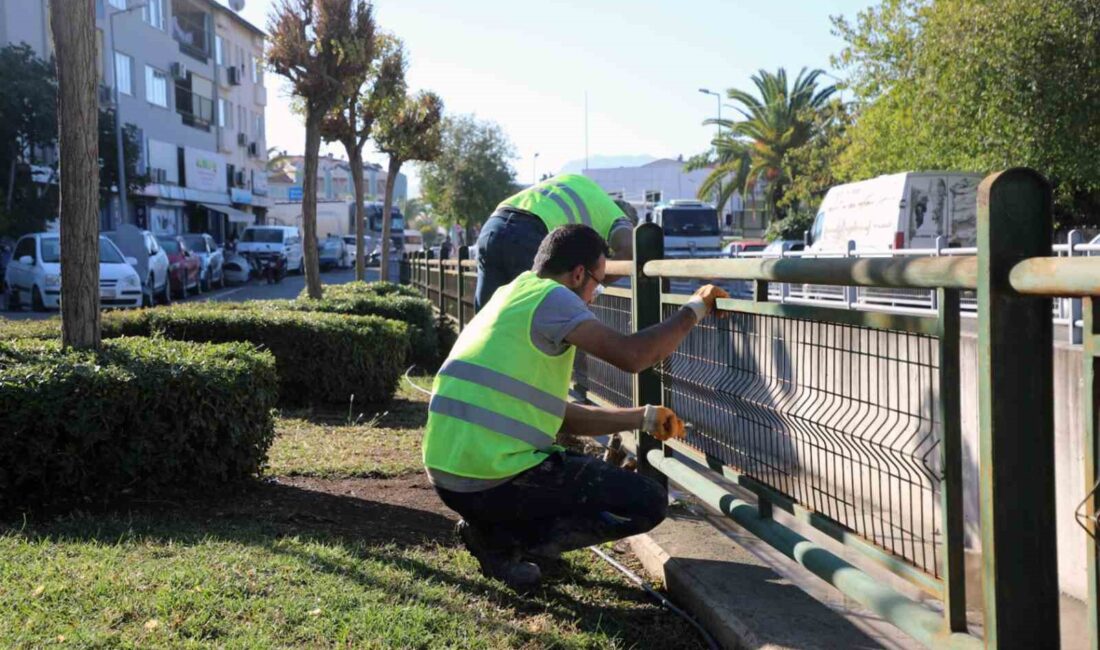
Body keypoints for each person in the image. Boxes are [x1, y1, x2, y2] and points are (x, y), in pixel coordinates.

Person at [423, 224, 729, 591]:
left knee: (578, 474)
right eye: (597, 285)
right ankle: (502, 543)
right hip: (490, 478)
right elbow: (634, 356)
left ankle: (492, 530)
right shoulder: (556, 298)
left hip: (449, 474)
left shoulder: (513, 293)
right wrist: (696, 306)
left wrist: (641, 417)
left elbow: (553, 413)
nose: (594, 299)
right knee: (647, 501)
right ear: (579, 274)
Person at [474, 173, 634, 311]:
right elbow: (628, 252)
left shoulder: (581, 185)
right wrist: (595, 287)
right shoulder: (617, 217)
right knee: (538, 321)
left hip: (494, 226)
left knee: (487, 317)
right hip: (530, 232)